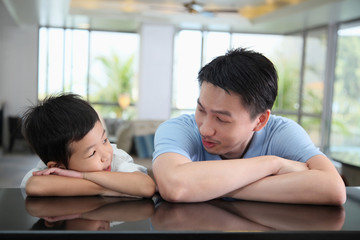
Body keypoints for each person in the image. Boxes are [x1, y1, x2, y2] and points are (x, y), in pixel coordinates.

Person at [152, 48, 346, 205]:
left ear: (260, 120)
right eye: (201, 110)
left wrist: (207, 187)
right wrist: (273, 164)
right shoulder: (178, 128)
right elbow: (174, 186)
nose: (204, 129)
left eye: (221, 119)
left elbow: (334, 189)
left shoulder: (282, 132)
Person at [20, 93, 156, 198]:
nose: (105, 154)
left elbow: (146, 186)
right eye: (92, 153)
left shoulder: (115, 158)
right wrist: (106, 188)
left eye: (104, 140)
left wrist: (83, 176)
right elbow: (35, 186)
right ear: (57, 166)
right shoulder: (51, 168)